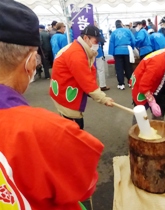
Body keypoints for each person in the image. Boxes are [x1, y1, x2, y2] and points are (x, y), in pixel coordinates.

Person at [0, 1, 104, 209]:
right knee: (73, 124)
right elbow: (83, 184)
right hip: (67, 97)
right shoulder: (43, 130)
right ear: (30, 60)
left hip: (64, 94)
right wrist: (99, 95)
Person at [50, 25, 114, 129]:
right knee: (74, 126)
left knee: (71, 125)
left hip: (64, 89)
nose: (97, 44)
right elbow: (86, 80)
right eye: (96, 41)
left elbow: (89, 73)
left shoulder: (79, 48)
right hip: (65, 94)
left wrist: (96, 94)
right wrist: (102, 98)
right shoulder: (76, 54)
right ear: (85, 38)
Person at [108, 20, 135, 90]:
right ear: (121, 24)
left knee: (119, 68)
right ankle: (130, 82)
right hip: (126, 51)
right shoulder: (127, 31)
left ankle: (121, 84)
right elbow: (133, 40)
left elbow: (111, 43)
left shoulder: (113, 33)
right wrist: (132, 47)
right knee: (128, 67)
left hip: (117, 52)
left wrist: (112, 53)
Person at [94, 20, 110, 91]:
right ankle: (102, 85)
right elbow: (102, 40)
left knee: (97, 70)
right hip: (97, 53)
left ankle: (100, 85)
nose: (96, 23)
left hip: (94, 53)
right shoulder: (98, 31)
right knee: (100, 69)